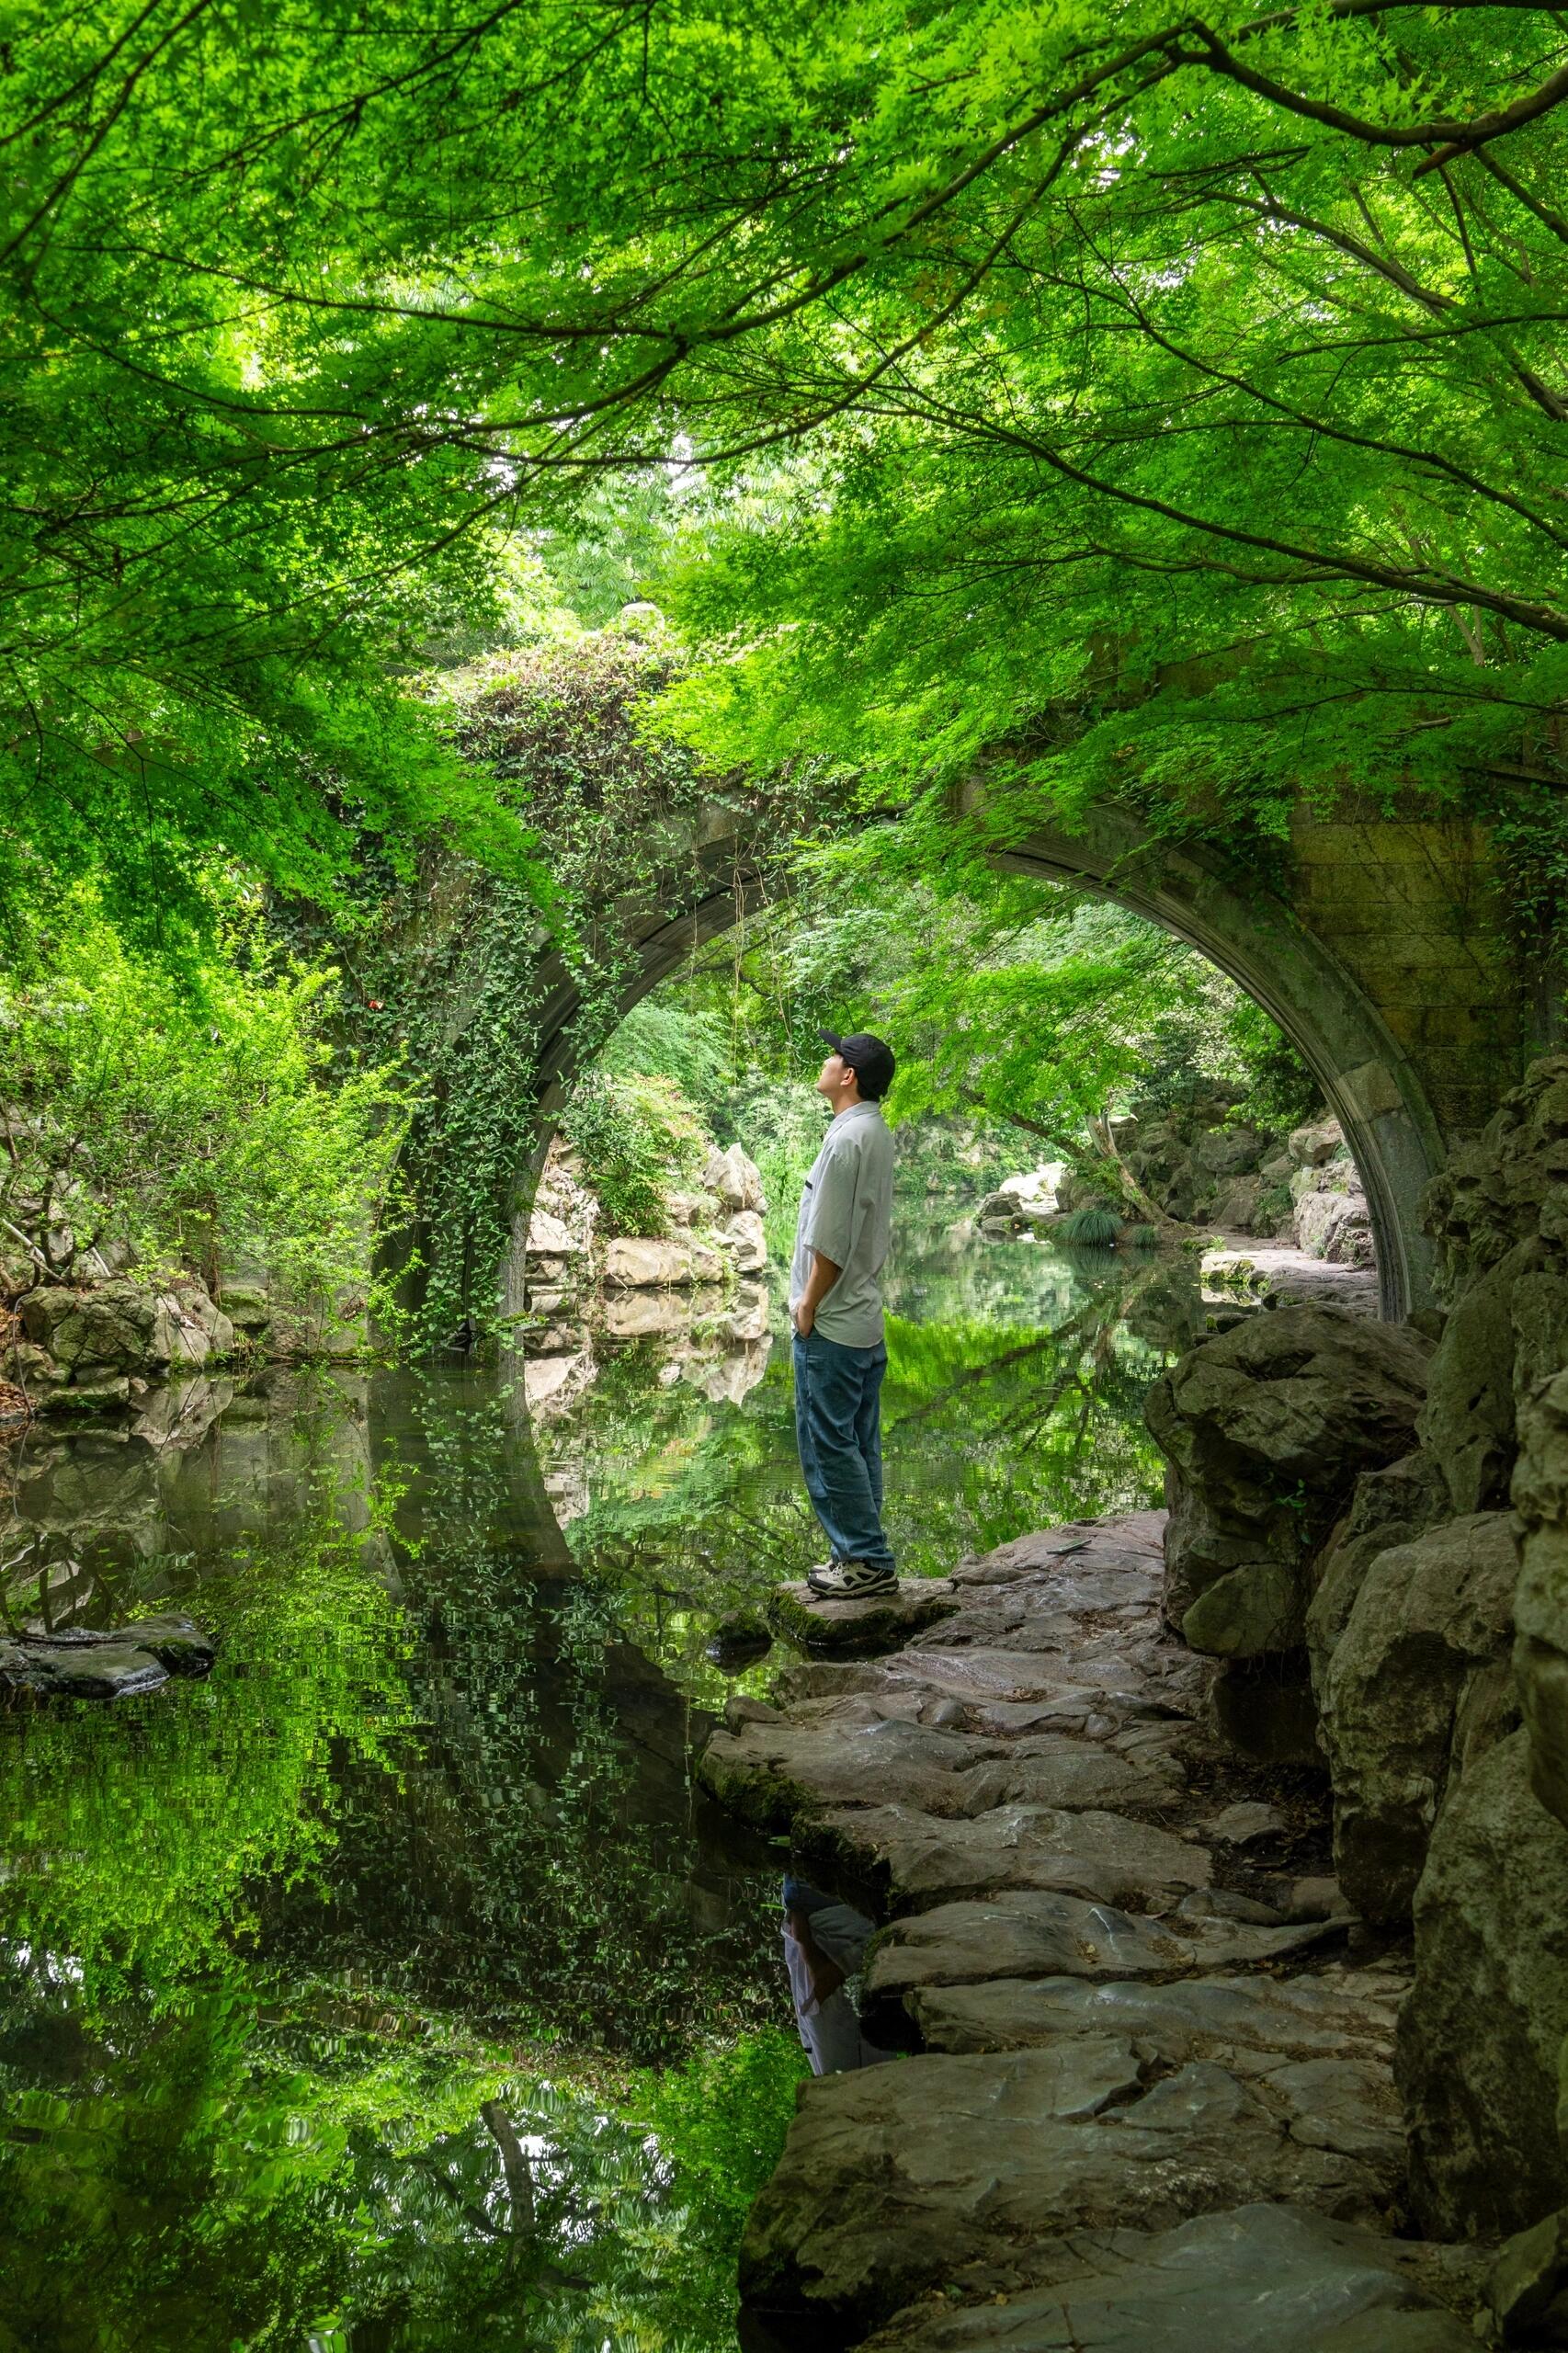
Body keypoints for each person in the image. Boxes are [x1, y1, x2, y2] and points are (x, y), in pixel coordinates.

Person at [790, 1029, 898, 1601]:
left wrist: (808, 1305)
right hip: (863, 1319)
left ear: (849, 1075)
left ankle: (866, 1560)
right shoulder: (874, 1132)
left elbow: (828, 1241)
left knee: (828, 1444)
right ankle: (858, 1554)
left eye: (834, 1055)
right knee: (857, 1443)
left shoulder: (845, 1140)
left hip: (831, 1322)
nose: (826, 1061)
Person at [781, 1876, 894, 2075]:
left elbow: (823, 1985)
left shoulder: (841, 2073)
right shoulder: (841, 2073)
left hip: (831, 1913)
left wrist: (804, 1944)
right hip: (834, 1913)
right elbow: (823, 1984)